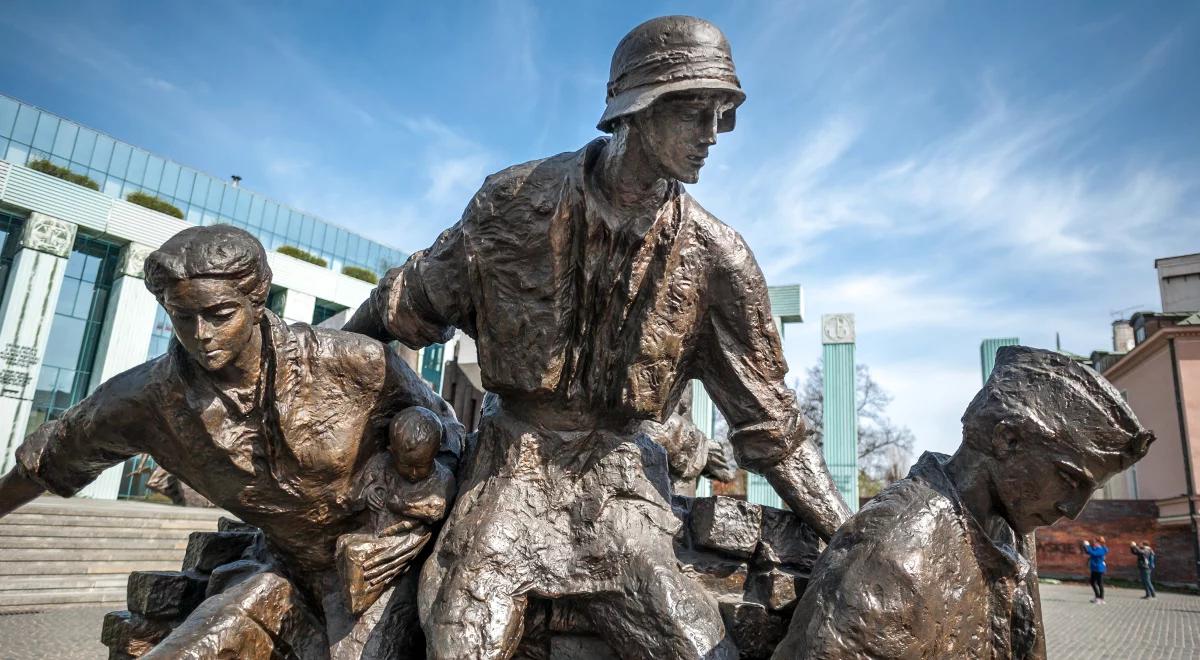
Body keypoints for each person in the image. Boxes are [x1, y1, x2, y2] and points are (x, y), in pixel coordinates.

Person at [343, 15, 851, 659]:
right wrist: (296, 359)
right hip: (510, 469)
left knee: (701, 649)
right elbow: (407, 302)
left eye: (722, 115)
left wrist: (854, 533)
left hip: (623, 488)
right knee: (461, 641)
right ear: (637, 109)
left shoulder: (718, 259)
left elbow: (773, 427)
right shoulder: (511, 202)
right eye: (696, 111)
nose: (712, 136)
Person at [0, 225, 464, 659]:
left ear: (256, 299)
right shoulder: (142, 402)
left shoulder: (355, 362)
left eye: (219, 315)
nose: (201, 335)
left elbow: (450, 436)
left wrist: (411, 524)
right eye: (182, 318)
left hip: (390, 569)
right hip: (285, 571)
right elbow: (47, 460)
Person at [772, 346, 1154, 659]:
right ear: (1007, 440)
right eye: (1069, 480)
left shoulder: (1010, 526)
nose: (1072, 509)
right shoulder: (896, 562)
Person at [1083, 537, 1108, 603]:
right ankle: (1097, 597)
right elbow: (1089, 551)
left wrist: (1087, 546)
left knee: (1100, 583)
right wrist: (1085, 546)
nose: (1093, 543)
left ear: (1098, 543)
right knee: (1092, 582)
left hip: (1099, 569)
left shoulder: (1101, 549)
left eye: (1095, 542)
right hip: (1094, 568)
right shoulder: (1096, 548)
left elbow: (1093, 553)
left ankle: (1101, 598)